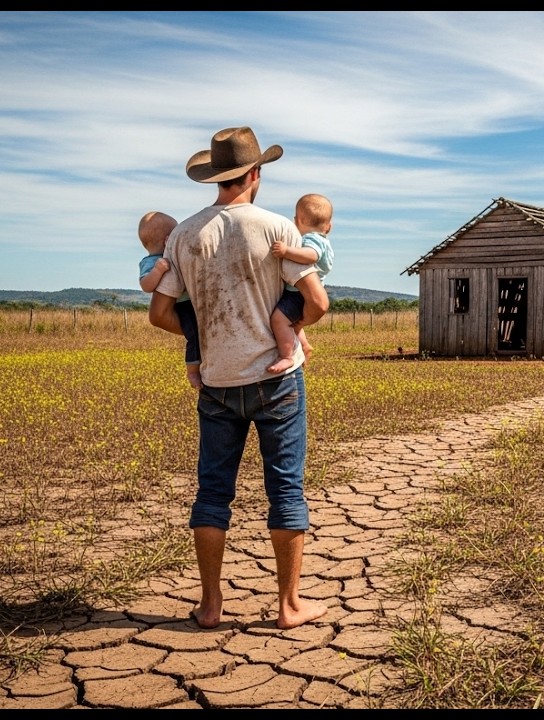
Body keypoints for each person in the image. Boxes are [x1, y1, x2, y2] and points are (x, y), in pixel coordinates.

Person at [148, 126, 331, 631]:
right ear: (255, 174)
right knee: (285, 490)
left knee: (212, 493)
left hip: (216, 382)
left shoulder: (184, 235)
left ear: (216, 176)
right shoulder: (276, 228)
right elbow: (317, 302)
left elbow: (159, 313)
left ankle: (210, 605)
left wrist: (205, 336)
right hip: (277, 381)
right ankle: (289, 605)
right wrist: (293, 328)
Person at [267, 194, 335, 374]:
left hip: (298, 293)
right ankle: (304, 345)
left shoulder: (311, 239)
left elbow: (311, 255)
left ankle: (287, 356)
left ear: (297, 221)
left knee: (279, 320)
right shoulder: (324, 241)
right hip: (304, 293)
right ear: (329, 227)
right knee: (293, 323)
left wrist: (286, 251)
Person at [138, 210, 202, 389]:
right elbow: (146, 286)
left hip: (192, 301)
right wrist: (158, 270)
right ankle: (193, 370)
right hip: (181, 305)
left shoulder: (173, 256)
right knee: (194, 335)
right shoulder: (151, 262)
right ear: (168, 240)